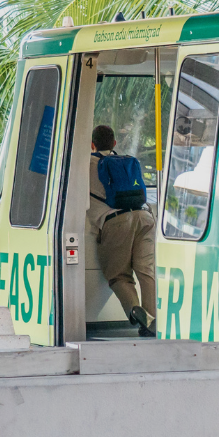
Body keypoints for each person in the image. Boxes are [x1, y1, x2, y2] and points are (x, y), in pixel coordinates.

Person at [85, 124, 157, 337]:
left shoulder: (86, 164)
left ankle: (135, 309)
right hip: (145, 217)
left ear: (92, 144)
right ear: (114, 143)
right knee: (146, 271)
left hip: (116, 221)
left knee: (118, 276)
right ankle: (152, 322)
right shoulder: (126, 161)